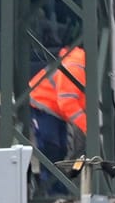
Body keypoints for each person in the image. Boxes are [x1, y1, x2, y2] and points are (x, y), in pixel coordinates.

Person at [28, 46, 86, 194]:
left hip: (55, 109)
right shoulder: (75, 68)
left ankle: (58, 189)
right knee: (51, 148)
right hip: (43, 105)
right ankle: (51, 192)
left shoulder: (80, 65)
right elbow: (67, 103)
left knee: (60, 150)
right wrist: (87, 127)